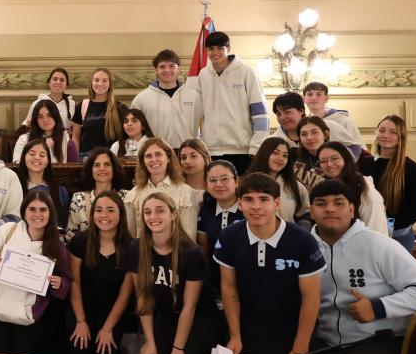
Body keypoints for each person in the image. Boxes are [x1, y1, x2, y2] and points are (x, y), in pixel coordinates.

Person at [309, 179, 416, 354]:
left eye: (339, 203)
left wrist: (378, 307)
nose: (330, 208)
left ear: (352, 209)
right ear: (311, 211)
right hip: (326, 342)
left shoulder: (380, 245)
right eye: (321, 203)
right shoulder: (305, 247)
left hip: (380, 341)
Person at [216, 173, 325, 354]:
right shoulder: (229, 237)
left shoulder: (302, 240)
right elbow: (229, 291)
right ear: (239, 203)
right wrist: (235, 336)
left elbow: (311, 299)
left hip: (293, 334)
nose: (256, 206)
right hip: (249, 333)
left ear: (276, 203)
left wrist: (301, 349)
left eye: (264, 199)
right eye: (249, 199)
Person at [130, 192, 219, 354]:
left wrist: (178, 348)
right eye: (148, 212)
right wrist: (151, 342)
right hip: (166, 315)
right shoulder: (138, 248)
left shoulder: (189, 252)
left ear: (173, 214)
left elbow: (190, 306)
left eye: (159, 210)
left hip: (201, 317)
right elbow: (143, 298)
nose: (153, 217)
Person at [0, 190, 72, 354]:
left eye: (43, 209)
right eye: (32, 209)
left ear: (50, 213)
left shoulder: (57, 243)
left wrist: (58, 284)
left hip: (27, 317)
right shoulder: (8, 230)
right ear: (24, 211)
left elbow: (66, 281)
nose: (37, 214)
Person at [67, 191, 135, 354]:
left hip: (113, 313)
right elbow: (74, 284)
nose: (104, 215)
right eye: (99, 210)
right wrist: (81, 321)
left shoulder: (131, 246)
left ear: (121, 214)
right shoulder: (80, 241)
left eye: (110, 210)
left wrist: (107, 328)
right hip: (81, 308)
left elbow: (125, 293)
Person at [196, 31, 269, 171]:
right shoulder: (203, 75)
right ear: (206, 50)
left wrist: (256, 147)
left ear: (228, 49)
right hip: (210, 150)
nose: (215, 52)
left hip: (242, 151)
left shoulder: (246, 72)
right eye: (211, 48)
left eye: (220, 48)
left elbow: (260, 113)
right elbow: (197, 113)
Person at [360, 115, 416, 252]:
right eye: (382, 130)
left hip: (398, 236)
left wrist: (388, 226)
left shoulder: (410, 168)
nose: (385, 135)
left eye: (392, 132)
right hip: (368, 233)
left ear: (401, 137)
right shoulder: (364, 164)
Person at [124, 138, 198, 239]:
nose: (153, 159)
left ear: (168, 158)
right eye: (148, 156)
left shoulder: (186, 193)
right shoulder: (133, 195)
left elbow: (189, 237)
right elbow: (129, 237)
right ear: (143, 162)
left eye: (158, 154)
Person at [131, 49, 200, 148]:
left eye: (172, 66)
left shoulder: (194, 96)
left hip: (186, 153)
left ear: (178, 69)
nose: (167, 70)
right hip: (155, 153)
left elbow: (205, 123)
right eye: (162, 67)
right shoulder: (141, 98)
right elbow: (134, 129)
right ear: (156, 70)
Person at [317, 142, 389, 235]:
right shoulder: (324, 188)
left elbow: (376, 228)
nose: (329, 164)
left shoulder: (365, 189)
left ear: (345, 159)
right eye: (323, 161)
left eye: (334, 158)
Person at [196, 161, 244, 285]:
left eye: (224, 179)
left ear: (237, 181)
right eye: (212, 180)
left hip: (246, 278)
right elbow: (203, 246)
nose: (219, 184)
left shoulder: (248, 208)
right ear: (206, 185)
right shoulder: (205, 210)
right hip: (215, 279)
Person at [67, 148, 131, 240]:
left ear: (114, 168)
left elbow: (132, 233)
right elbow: (70, 236)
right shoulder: (79, 198)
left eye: (107, 164)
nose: (102, 169)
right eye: (97, 165)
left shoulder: (128, 197)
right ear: (91, 170)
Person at [247, 138, 310, 223]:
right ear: (264, 154)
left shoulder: (295, 186)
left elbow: (305, 215)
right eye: (275, 153)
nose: (280, 158)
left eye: (285, 155)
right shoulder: (247, 183)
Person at [71, 68, 128, 153]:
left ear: (110, 84)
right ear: (91, 82)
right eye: (96, 80)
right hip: (86, 158)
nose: (100, 84)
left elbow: (127, 135)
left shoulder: (119, 107)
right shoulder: (83, 105)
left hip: (111, 157)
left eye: (104, 80)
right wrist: (74, 160)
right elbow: (75, 136)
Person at [302, 81, 364, 158]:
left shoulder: (344, 120)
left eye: (319, 94)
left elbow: (359, 147)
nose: (314, 97)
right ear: (304, 99)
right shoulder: (304, 124)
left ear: (326, 98)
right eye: (310, 94)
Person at [15, 138, 70, 223]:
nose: (37, 157)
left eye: (42, 155)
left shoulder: (60, 191)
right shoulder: (15, 189)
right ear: (24, 158)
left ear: (48, 161)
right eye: (32, 154)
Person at [14, 99, 78, 163]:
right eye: (40, 117)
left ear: (56, 116)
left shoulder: (67, 142)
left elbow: (73, 169)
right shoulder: (23, 140)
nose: (45, 120)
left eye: (49, 115)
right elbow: (17, 165)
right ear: (36, 120)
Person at [24, 67, 77, 135]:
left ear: (66, 85)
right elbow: (27, 125)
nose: (58, 82)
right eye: (55, 79)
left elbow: (76, 127)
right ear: (49, 83)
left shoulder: (72, 104)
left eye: (62, 80)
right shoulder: (37, 103)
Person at [294, 115, 329, 194]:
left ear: (326, 134)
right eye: (304, 134)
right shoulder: (292, 155)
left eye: (314, 132)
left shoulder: (336, 159)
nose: (309, 137)